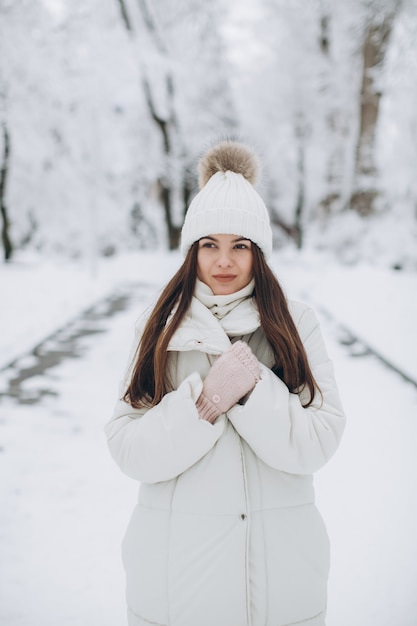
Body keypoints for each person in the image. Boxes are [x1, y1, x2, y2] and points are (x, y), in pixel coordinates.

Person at [105, 140, 346, 626]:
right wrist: (206, 403)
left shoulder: (296, 325)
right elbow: (129, 447)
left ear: (259, 252)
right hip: (176, 583)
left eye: (240, 245)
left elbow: (320, 439)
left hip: (280, 584)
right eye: (209, 244)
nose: (224, 261)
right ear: (191, 250)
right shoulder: (158, 328)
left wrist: (254, 390)